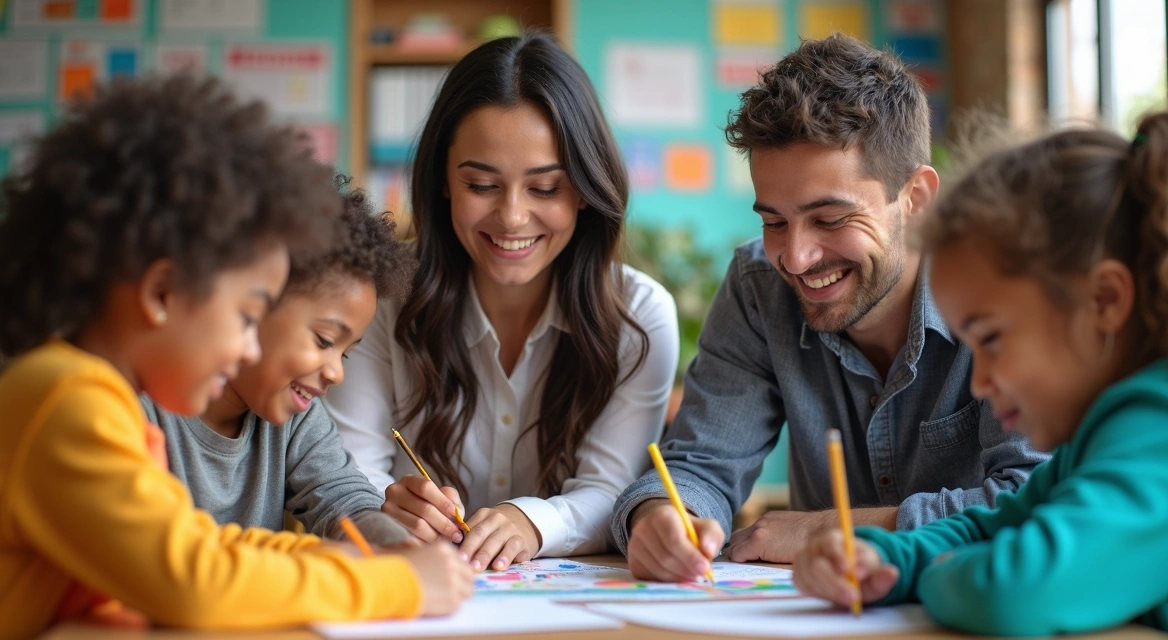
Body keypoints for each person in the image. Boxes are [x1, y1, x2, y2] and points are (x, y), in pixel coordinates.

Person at [0, 75, 472, 636]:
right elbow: (194, 582)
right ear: (161, 293)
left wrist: (358, 558)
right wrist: (400, 586)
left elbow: (197, 542)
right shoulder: (67, 399)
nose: (249, 347)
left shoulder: (90, 396)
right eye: (248, 317)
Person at [611, 34, 1047, 581]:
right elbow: (701, 464)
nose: (795, 257)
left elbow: (1040, 499)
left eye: (831, 218)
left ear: (915, 198)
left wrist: (829, 528)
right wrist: (663, 517)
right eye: (773, 221)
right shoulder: (757, 285)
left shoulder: (1004, 290)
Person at [793, 108, 1168, 639]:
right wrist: (884, 557)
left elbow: (1016, 593)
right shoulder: (1105, 436)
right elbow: (991, 528)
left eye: (990, 339)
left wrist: (946, 577)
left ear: (1104, 301)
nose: (980, 382)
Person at [325, 33, 679, 573]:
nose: (512, 218)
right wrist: (384, 508)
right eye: (482, 184)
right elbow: (347, 474)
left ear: (584, 189)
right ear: (444, 179)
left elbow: (611, 491)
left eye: (544, 189)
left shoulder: (638, 314)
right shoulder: (384, 294)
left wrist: (532, 522)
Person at [142, 178, 418, 546]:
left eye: (346, 352)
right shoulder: (140, 409)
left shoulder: (297, 418)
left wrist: (397, 546)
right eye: (323, 340)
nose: (336, 372)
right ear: (253, 306)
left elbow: (344, 498)